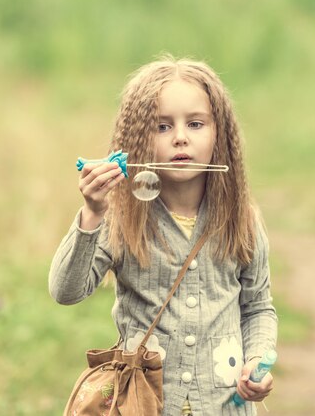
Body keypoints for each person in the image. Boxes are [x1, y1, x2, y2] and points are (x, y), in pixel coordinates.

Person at [49, 55, 277, 415]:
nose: (181, 138)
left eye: (196, 123)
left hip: (222, 407)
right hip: (145, 404)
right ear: (137, 140)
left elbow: (257, 307)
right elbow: (66, 292)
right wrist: (92, 213)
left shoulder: (240, 220)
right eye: (162, 127)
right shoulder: (121, 218)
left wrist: (257, 361)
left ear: (221, 135)